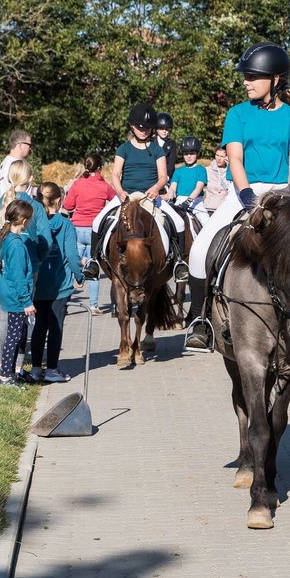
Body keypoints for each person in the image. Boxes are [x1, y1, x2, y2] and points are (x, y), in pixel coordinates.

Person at [185, 43, 290, 351]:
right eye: (246, 76)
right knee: (200, 251)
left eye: (254, 76)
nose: (246, 81)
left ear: (276, 80)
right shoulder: (237, 114)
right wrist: (246, 194)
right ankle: (201, 322)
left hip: (285, 192)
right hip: (244, 193)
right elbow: (235, 160)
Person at [83, 102, 188, 282]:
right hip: (127, 195)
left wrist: (155, 188)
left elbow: (163, 176)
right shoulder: (123, 148)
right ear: (132, 125)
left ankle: (179, 262)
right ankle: (93, 260)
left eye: (148, 128)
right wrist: (120, 191)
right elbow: (115, 174)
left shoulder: (157, 149)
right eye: (140, 127)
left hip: (150, 196)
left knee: (178, 222)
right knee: (97, 221)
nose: (144, 130)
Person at [29, 182, 84, 383]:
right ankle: (52, 368)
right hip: (60, 286)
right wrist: (79, 275)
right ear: (59, 201)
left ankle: (35, 368)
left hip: (37, 284)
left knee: (39, 327)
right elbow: (71, 254)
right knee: (56, 326)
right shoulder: (66, 225)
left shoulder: (33, 223)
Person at [0, 200, 37, 388]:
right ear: (24, 221)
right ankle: (5, 375)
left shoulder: (8, 239)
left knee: (17, 334)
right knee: (14, 337)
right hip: (17, 299)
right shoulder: (16, 245)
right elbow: (18, 276)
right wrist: (26, 301)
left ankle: (12, 372)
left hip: (9, 296)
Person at [64, 153, 115, 315]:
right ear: (100, 168)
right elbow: (115, 201)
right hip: (95, 230)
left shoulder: (78, 184)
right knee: (94, 269)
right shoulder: (104, 186)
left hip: (77, 228)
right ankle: (93, 306)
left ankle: (66, 302)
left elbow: (68, 205)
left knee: (72, 265)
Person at [0, 129, 33, 197]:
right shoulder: (15, 165)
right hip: (17, 206)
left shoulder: (6, 162)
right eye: (29, 145)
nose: (30, 148)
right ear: (21, 145)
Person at [166, 136, 207, 212]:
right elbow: (172, 188)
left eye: (192, 153)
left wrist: (188, 201)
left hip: (196, 202)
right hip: (179, 201)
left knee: (206, 222)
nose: (188, 156)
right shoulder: (178, 171)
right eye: (186, 154)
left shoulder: (201, 170)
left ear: (197, 154)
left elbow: (198, 188)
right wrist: (170, 199)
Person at [203, 145, 231, 216]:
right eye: (217, 155)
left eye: (222, 156)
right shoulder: (207, 170)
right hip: (209, 208)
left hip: (225, 209)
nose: (219, 159)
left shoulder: (231, 171)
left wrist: (231, 164)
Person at [155, 112, 178, 178]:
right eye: (162, 128)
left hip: (166, 175)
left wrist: (166, 177)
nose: (164, 131)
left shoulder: (172, 144)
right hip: (152, 175)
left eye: (167, 129)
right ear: (157, 129)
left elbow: (171, 163)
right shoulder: (151, 141)